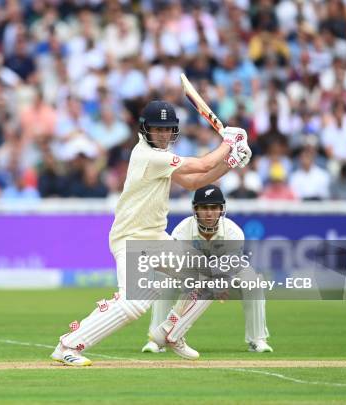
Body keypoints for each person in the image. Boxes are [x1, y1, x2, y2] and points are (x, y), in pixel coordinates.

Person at [50, 100, 252, 366]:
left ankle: (172, 332)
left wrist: (230, 162)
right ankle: (68, 346)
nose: (164, 135)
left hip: (157, 237)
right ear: (145, 130)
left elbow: (194, 181)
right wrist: (229, 142)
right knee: (134, 304)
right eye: (158, 130)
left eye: (168, 130)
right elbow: (203, 165)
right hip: (131, 238)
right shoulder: (148, 155)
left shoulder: (161, 157)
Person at [141, 184, 272, 358]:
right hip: (192, 274)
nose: (209, 213)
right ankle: (157, 338)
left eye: (214, 208)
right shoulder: (182, 231)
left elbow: (230, 269)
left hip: (225, 274)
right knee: (164, 280)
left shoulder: (234, 233)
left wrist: (218, 285)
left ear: (221, 209)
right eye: (204, 208)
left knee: (253, 281)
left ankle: (257, 339)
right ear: (195, 209)